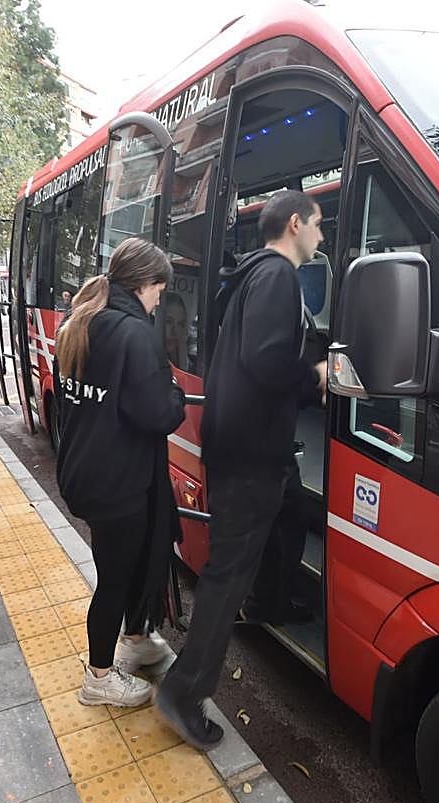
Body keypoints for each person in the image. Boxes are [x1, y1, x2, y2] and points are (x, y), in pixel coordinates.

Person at [157, 190, 327, 749]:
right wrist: (316, 377)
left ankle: (271, 599)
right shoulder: (278, 275)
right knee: (227, 575)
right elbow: (267, 358)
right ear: (295, 225)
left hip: (253, 449)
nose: (322, 237)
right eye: (319, 226)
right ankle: (184, 691)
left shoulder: (252, 275)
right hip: (251, 452)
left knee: (294, 508)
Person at [54, 238, 186, 708]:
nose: (158, 303)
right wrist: (174, 391)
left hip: (85, 471)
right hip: (119, 481)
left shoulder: (80, 320)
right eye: (159, 292)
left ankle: (135, 636)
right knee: (114, 579)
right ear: (146, 284)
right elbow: (159, 413)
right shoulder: (133, 334)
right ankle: (100, 677)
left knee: (123, 566)